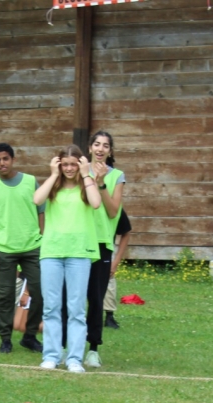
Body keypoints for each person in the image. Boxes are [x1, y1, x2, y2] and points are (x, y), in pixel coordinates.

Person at [34, 145, 102, 373]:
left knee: (76, 309)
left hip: (79, 254)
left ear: (80, 164)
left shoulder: (86, 183)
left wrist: (86, 174)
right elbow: (36, 199)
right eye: (65, 164)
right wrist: (53, 174)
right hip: (52, 252)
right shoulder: (53, 186)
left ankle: (74, 359)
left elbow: (96, 202)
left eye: (74, 164)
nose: (69, 168)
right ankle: (52, 355)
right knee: (51, 307)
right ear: (59, 164)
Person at [0, 143, 45, 354]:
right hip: (3, 249)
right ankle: (5, 339)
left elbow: (42, 211)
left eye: (5, 159)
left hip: (32, 247)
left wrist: (41, 235)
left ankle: (29, 337)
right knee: (4, 296)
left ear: (13, 159)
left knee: (39, 292)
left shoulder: (31, 182)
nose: (1, 163)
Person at [82, 131, 126, 368]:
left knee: (96, 298)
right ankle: (66, 345)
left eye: (105, 145)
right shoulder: (79, 171)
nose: (100, 149)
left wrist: (100, 184)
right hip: (78, 241)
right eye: (96, 144)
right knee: (73, 296)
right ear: (89, 147)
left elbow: (112, 211)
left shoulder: (117, 176)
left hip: (101, 243)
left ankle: (93, 349)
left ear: (110, 151)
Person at [103, 209, 132, 329]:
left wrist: (115, 262)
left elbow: (126, 233)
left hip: (105, 249)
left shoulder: (115, 208)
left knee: (108, 279)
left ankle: (109, 316)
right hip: (81, 249)